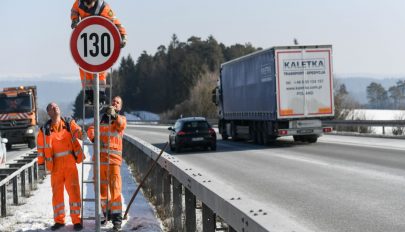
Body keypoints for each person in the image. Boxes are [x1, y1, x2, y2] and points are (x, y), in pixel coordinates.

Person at [37, 103, 85, 231]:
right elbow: (40, 150)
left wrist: (84, 134)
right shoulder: (44, 130)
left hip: (70, 163)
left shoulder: (69, 123)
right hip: (55, 166)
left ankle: (76, 221)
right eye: (52, 107)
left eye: (56, 106)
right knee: (57, 194)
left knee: (74, 193)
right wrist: (41, 166)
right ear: (49, 113)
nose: (55, 108)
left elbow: (78, 132)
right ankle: (59, 220)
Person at [70, 0, 127, 105]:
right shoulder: (79, 3)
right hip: (85, 40)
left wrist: (123, 37)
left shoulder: (104, 8)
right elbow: (74, 11)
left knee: (100, 70)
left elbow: (116, 22)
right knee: (83, 68)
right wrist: (74, 20)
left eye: (89, 5)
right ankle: (88, 93)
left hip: (100, 42)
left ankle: (100, 94)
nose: (87, 8)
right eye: (86, 5)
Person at [87, 96, 126, 231]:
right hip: (100, 160)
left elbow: (120, 125)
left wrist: (114, 115)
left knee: (115, 190)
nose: (115, 103)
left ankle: (117, 220)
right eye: (113, 101)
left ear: (120, 107)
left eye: (118, 102)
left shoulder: (121, 119)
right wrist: (94, 138)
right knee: (101, 190)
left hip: (114, 161)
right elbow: (91, 129)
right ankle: (106, 214)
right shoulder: (102, 119)